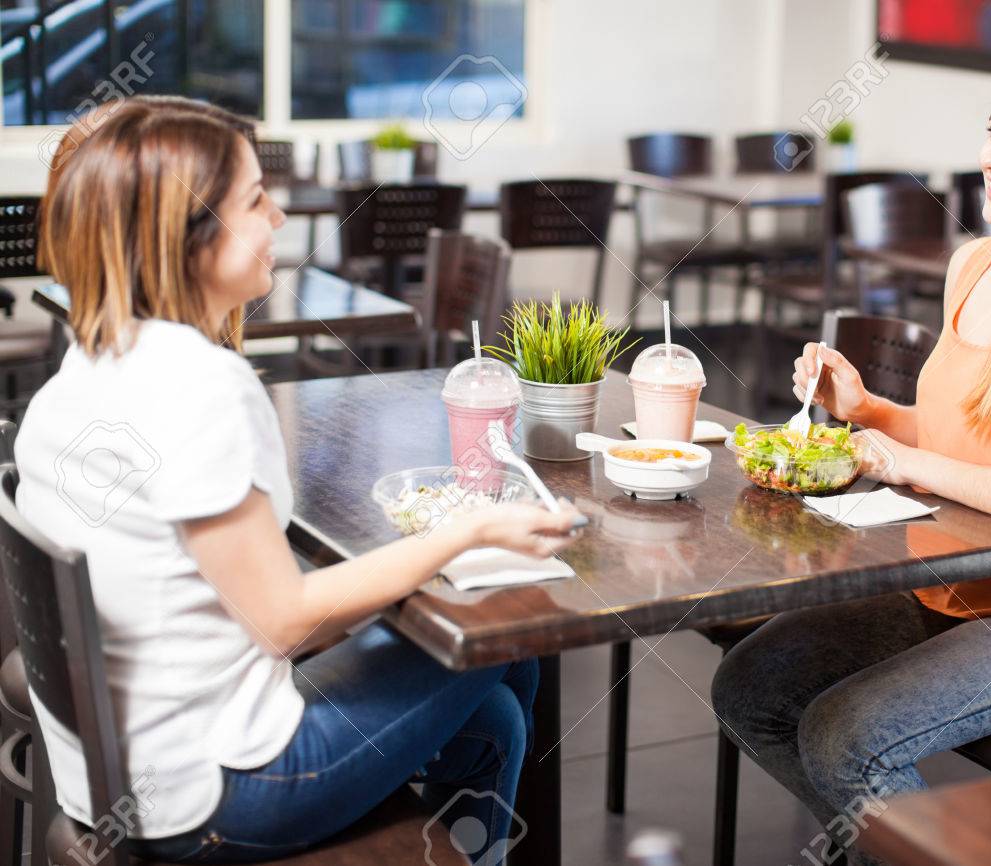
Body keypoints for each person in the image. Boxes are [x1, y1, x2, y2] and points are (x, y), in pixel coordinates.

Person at [17, 98, 582, 863]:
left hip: (124, 771)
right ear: (187, 238)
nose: (279, 217)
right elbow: (282, 620)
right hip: (218, 791)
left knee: (495, 715)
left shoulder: (82, 371)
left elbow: (257, 617)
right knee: (504, 631)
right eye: (255, 200)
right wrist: (470, 529)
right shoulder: (200, 384)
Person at [712, 48, 991, 864]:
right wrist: (870, 413)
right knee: (749, 689)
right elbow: (962, 436)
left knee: (845, 739)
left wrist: (896, 461)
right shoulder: (976, 261)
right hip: (949, 583)